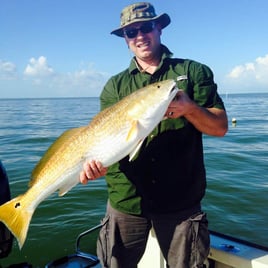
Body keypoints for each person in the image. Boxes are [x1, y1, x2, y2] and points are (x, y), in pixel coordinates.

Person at [80, 2, 228, 268]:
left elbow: (220, 127)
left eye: (146, 27)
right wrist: (96, 166)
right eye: (131, 32)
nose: (140, 36)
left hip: (180, 201)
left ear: (159, 28)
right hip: (126, 200)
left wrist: (190, 109)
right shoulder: (115, 86)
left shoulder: (194, 72)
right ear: (125, 40)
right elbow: (107, 141)